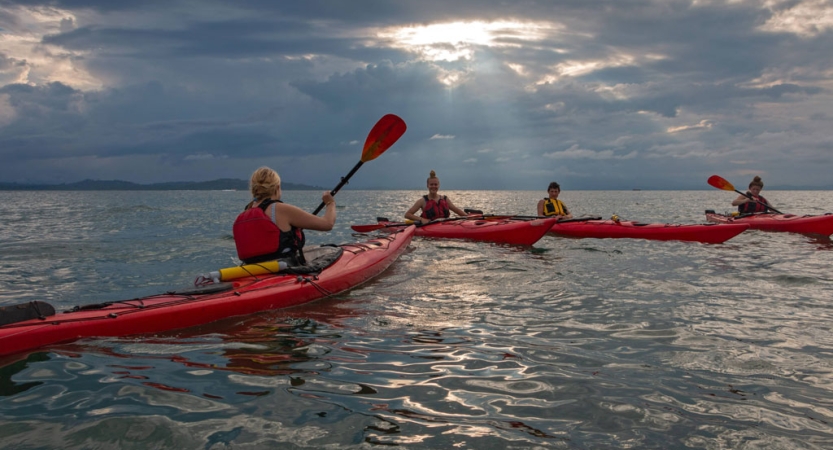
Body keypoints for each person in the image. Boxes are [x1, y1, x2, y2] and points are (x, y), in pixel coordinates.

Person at [233, 167, 336, 265]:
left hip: (252, 270)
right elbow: (327, 224)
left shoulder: (245, 213)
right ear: (277, 188)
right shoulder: (280, 209)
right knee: (332, 251)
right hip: (283, 269)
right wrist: (330, 203)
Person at [405, 170, 470, 224]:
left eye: (435, 184)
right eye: (431, 184)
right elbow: (407, 214)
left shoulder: (445, 199)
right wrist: (421, 219)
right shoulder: (422, 201)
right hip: (429, 228)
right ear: (427, 186)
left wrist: (469, 218)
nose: (433, 186)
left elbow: (457, 210)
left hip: (445, 226)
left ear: (438, 185)